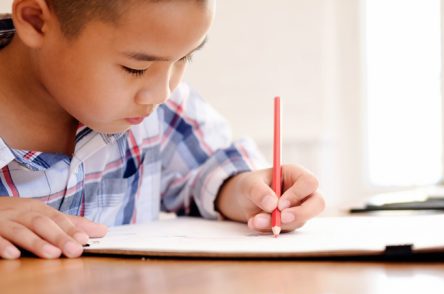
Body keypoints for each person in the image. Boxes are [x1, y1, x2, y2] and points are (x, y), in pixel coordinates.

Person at [0, 0, 325, 260]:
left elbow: (209, 168)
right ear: (35, 21)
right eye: (135, 68)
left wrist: (250, 192)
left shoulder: (156, 110)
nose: (161, 93)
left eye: (186, 58)